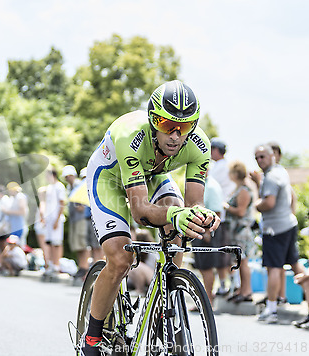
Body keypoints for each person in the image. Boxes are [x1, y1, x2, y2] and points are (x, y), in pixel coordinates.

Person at [81, 80, 219, 355]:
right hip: (108, 179)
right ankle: (92, 337)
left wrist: (201, 215)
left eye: (185, 127)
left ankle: (165, 299)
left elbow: (193, 204)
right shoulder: (130, 134)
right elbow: (140, 211)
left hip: (152, 176)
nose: (176, 136)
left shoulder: (200, 145)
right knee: (121, 259)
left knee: (181, 224)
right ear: (153, 120)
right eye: (167, 125)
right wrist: (175, 214)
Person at [252, 144, 305, 324]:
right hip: (288, 224)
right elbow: (292, 196)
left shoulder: (271, 177)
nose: (259, 161)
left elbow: (269, 203)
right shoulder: (280, 171)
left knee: (273, 268)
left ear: (272, 156)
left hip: (275, 229)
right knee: (296, 265)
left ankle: (272, 309)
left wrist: (256, 204)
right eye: (256, 157)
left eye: (262, 157)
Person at [224, 161, 255, 303]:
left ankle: (247, 291)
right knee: (239, 261)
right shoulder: (239, 189)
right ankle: (241, 289)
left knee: (243, 262)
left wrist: (226, 207)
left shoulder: (243, 190)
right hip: (236, 232)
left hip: (241, 231)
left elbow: (241, 212)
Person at [208, 138, 236, 296]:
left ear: (216, 150)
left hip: (219, 217)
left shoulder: (218, 168)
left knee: (220, 255)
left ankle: (225, 285)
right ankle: (228, 284)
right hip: (225, 216)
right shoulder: (225, 166)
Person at [191, 174, 224, 304]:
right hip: (199, 230)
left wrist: (207, 232)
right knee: (202, 267)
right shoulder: (199, 184)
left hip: (207, 231)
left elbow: (217, 211)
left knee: (207, 267)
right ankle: (206, 299)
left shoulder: (211, 186)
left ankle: (208, 300)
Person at [62, 165, 89, 284]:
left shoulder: (80, 185)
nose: (68, 178)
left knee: (83, 243)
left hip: (81, 218)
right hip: (74, 219)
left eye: (69, 176)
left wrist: (81, 207)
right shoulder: (69, 187)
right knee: (76, 245)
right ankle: (81, 267)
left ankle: (85, 267)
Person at [43, 168, 66, 280]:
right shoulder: (49, 187)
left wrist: (57, 219)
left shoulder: (59, 186)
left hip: (57, 219)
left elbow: (62, 203)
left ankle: (57, 265)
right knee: (50, 242)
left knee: (57, 242)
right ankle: (51, 264)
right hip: (49, 219)